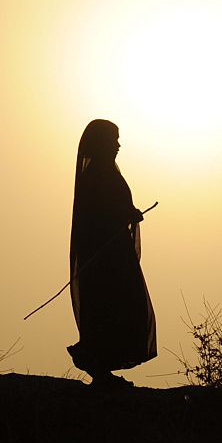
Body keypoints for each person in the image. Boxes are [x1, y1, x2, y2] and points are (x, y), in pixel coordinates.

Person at [66, 119, 157, 388]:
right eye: (113, 139)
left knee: (123, 308)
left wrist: (128, 214)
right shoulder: (97, 175)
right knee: (112, 307)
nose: (118, 145)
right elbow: (97, 215)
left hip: (114, 256)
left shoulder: (106, 173)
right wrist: (123, 215)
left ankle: (102, 369)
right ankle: (98, 367)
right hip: (105, 259)